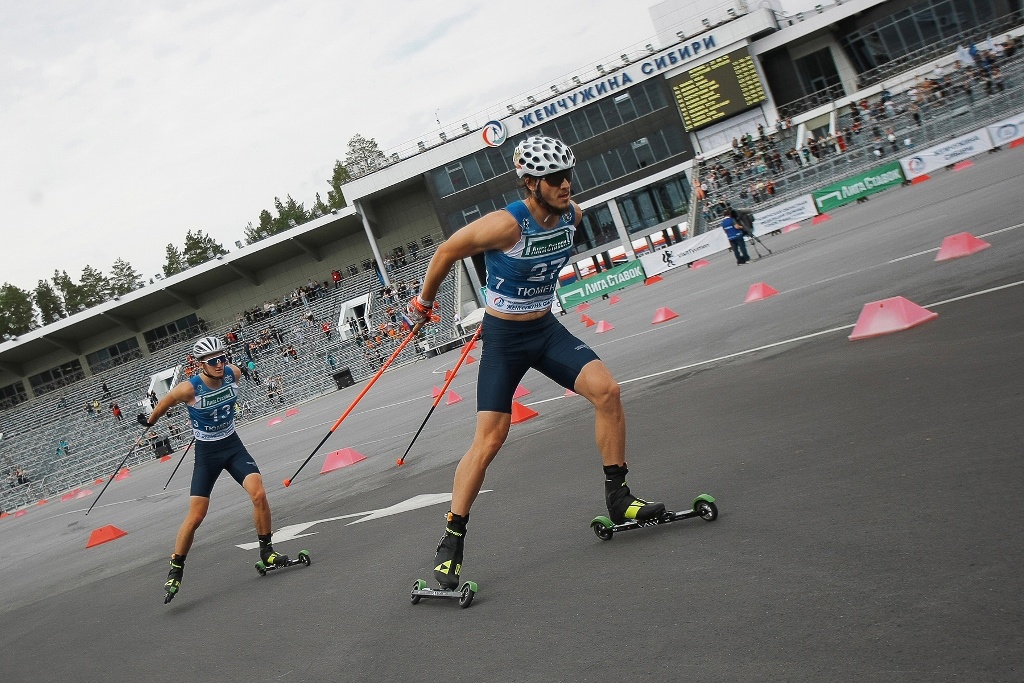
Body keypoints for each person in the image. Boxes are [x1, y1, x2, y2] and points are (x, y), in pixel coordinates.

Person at [408, 135, 665, 591]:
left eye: (568, 175)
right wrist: (424, 302)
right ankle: (451, 540)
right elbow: (446, 250)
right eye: (554, 178)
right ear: (531, 183)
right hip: (505, 341)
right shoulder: (507, 225)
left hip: (545, 331)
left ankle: (619, 498)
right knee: (489, 440)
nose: (565, 185)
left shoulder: (575, 215)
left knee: (608, 391)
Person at [139, 336, 289, 602]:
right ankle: (176, 568)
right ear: (200, 365)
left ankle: (267, 551)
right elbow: (165, 403)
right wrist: (149, 420)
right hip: (207, 454)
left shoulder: (233, 373)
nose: (221, 364)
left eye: (223, 357)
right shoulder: (189, 389)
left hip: (232, 446)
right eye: (213, 361)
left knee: (259, 494)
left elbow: (244, 367)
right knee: (196, 516)